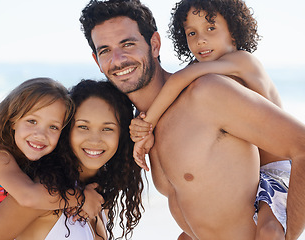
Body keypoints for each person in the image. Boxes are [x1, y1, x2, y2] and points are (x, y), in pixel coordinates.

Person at [79, 0, 305, 239]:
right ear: (97, 61)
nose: (118, 59)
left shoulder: (206, 93)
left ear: (154, 44)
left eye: (128, 44)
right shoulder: (140, 127)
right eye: (105, 50)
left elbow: (301, 146)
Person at [0, 79, 144, 240]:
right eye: (83, 126)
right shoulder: (41, 190)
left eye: (107, 129)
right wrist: (80, 198)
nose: (95, 140)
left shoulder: (94, 196)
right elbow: (27, 197)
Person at [0, 77, 104, 238]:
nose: (40, 134)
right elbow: (28, 197)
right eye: (32, 121)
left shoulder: (33, 164)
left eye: (53, 127)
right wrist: (81, 197)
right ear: (13, 120)